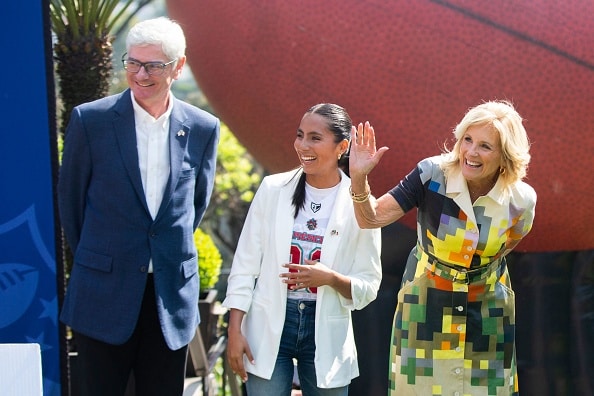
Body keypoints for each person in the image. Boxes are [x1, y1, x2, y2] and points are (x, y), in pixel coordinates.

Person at [57, 17, 219, 396]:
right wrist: (105, 254)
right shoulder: (90, 121)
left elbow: (195, 205)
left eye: (153, 66)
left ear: (178, 66)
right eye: (132, 63)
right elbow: (72, 204)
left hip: (169, 298)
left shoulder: (202, 127)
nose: (140, 74)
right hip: (103, 293)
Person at [348, 100, 536, 395]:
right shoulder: (432, 174)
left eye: (485, 146)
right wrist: (359, 178)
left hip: (487, 314)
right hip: (426, 309)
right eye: (467, 140)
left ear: (505, 156)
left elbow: (506, 245)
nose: (471, 152)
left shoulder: (521, 200)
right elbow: (370, 218)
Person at [224, 103, 382, 395]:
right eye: (300, 135)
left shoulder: (360, 205)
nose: (302, 145)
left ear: (342, 146)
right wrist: (235, 330)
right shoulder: (273, 189)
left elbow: (369, 285)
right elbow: (245, 265)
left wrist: (330, 279)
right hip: (267, 327)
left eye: (315, 138)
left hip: (326, 333)